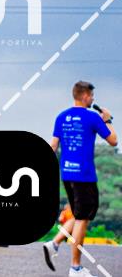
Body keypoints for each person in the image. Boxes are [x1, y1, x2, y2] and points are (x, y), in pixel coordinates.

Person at [43, 81, 117, 277]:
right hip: (84, 176)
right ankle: (75, 267)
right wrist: (108, 120)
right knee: (83, 219)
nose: (93, 99)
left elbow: (53, 146)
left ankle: (54, 243)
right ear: (84, 96)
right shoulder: (93, 117)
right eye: (91, 95)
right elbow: (113, 141)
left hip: (67, 174)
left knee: (77, 215)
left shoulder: (61, 117)